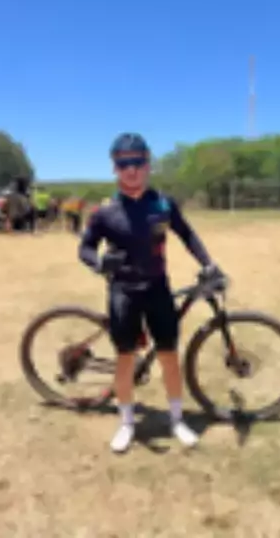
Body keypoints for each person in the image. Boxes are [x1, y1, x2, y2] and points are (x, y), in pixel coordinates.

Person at [78, 133, 223, 453]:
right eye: (123, 164)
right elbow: (85, 248)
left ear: (148, 165)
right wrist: (99, 263)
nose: (131, 169)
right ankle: (127, 423)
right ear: (114, 168)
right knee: (126, 358)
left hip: (158, 288)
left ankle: (176, 420)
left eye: (137, 162)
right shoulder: (104, 211)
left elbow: (187, 235)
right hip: (123, 292)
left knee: (169, 356)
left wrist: (208, 264)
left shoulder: (164, 204)